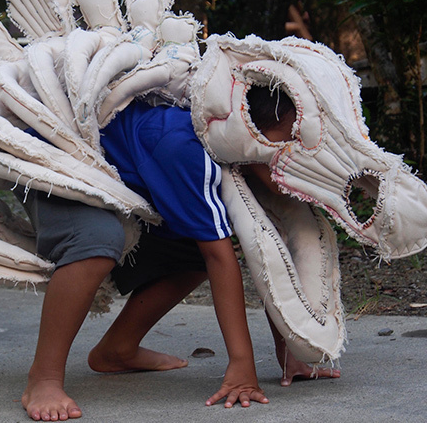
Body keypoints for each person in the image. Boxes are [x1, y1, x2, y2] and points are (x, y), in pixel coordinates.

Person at [21, 86, 337, 421]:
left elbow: (267, 253)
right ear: (251, 135)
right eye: (287, 145)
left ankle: (118, 349)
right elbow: (220, 257)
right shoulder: (186, 148)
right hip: (58, 162)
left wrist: (290, 348)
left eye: (306, 148)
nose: (297, 159)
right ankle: (43, 378)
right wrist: (242, 365)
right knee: (97, 240)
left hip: (125, 181)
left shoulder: (247, 161)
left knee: (192, 251)